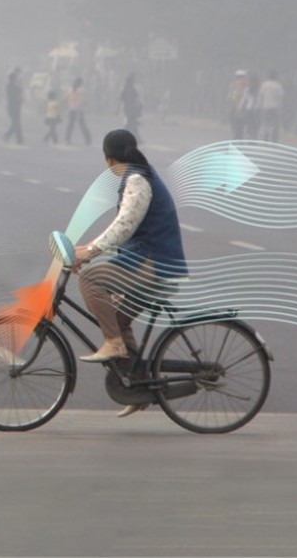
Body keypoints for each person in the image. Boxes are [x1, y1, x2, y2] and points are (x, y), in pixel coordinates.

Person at [73, 129, 188, 408]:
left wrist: (90, 252)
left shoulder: (137, 180)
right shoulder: (138, 174)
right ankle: (137, 387)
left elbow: (125, 226)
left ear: (109, 160)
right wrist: (91, 247)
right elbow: (126, 229)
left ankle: (113, 342)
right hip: (148, 260)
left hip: (154, 264)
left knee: (89, 278)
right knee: (119, 317)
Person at [64, 77, 91, 145]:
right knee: (82, 125)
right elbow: (82, 100)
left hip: (71, 110)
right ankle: (88, 139)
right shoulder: (81, 90)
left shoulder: (70, 89)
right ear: (80, 83)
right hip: (79, 110)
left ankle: (67, 139)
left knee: (70, 125)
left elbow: (65, 98)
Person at [2, 67, 24, 144]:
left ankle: (18, 138)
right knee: (16, 123)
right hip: (15, 108)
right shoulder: (15, 88)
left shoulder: (9, 87)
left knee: (16, 123)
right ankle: (17, 138)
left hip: (12, 108)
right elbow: (19, 98)